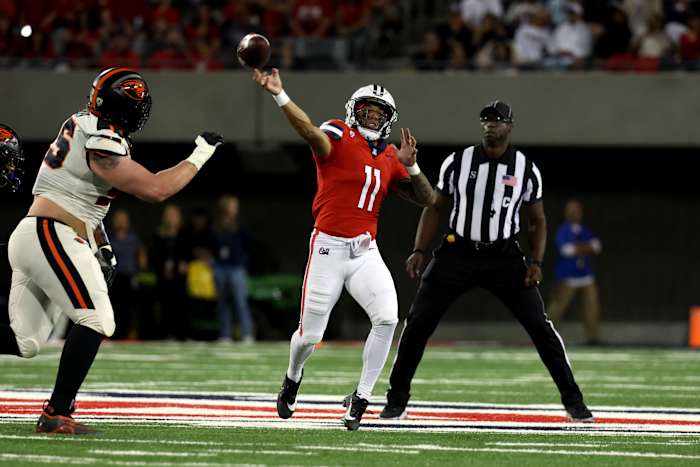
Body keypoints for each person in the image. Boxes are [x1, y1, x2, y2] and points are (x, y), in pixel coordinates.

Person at [0, 67, 224, 434]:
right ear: (126, 109)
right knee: (97, 319)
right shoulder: (102, 140)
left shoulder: (82, 124)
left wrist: (101, 242)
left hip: (40, 232)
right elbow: (156, 190)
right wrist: (200, 154)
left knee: (25, 341)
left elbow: (81, 196)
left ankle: (58, 410)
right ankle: (57, 412)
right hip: (50, 233)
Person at [379, 101, 594, 423]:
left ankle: (573, 400)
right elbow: (434, 207)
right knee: (417, 323)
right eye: (485, 121)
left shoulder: (524, 168)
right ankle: (396, 399)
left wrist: (535, 261)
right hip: (457, 252)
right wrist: (419, 250)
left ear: (510, 126)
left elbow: (537, 221)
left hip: (504, 257)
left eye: (497, 121)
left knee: (541, 327)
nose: (490, 126)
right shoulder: (458, 162)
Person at [252, 67, 432, 430]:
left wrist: (412, 168)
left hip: (366, 251)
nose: (372, 116)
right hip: (328, 246)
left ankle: (361, 398)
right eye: (367, 109)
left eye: (379, 112)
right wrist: (279, 95)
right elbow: (309, 133)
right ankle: (293, 376)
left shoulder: (391, 156)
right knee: (310, 336)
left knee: (387, 317)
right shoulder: (338, 132)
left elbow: (428, 199)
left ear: (388, 119)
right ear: (354, 110)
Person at [547, 199, 602, 345]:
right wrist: (586, 247)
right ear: (567, 213)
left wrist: (579, 247)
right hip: (567, 277)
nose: (575, 213)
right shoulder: (563, 230)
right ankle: (545, 336)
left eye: (577, 210)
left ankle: (592, 338)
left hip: (586, 276)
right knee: (556, 309)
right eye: (572, 211)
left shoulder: (584, 230)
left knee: (592, 308)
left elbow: (597, 247)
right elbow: (566, 250)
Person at [213, 195, 254, 343]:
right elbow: (212, 244)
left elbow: (249, 245)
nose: (234, 209)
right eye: (232, 205)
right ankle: (225, 334)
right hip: (220, 267)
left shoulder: (240, 225)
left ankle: (247, 333)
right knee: (223, 302)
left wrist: (243, 262)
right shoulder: (217, 225)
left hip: (236, 268)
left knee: (240, 302)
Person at [108, 209, 147, 340]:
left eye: (123, 219)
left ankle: (128, 333)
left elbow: (141, 253)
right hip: (114, 277)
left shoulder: (133, 238)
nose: (121, 222)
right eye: (118, 219)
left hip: (129, 276)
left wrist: (141, 268)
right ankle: (114, 333)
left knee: (129, 307)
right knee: (114, 306)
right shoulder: (109, 237)